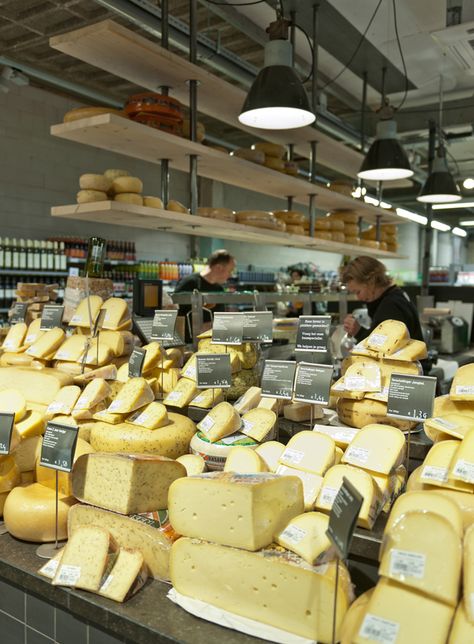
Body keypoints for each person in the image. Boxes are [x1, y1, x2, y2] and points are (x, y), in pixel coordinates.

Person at [341, 255, 425, 346]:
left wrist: (358, 331)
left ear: (371, 282)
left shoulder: (391, 305)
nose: (358, 298)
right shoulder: (396, 295)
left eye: (358, 292)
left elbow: (383, 349)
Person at [173, 249, 236, 342]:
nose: (230, 275)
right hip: (188, 342)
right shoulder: (189, 283)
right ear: (219, 267)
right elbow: (176, 313)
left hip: (211, 342)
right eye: (230, 271)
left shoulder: (219, 289)